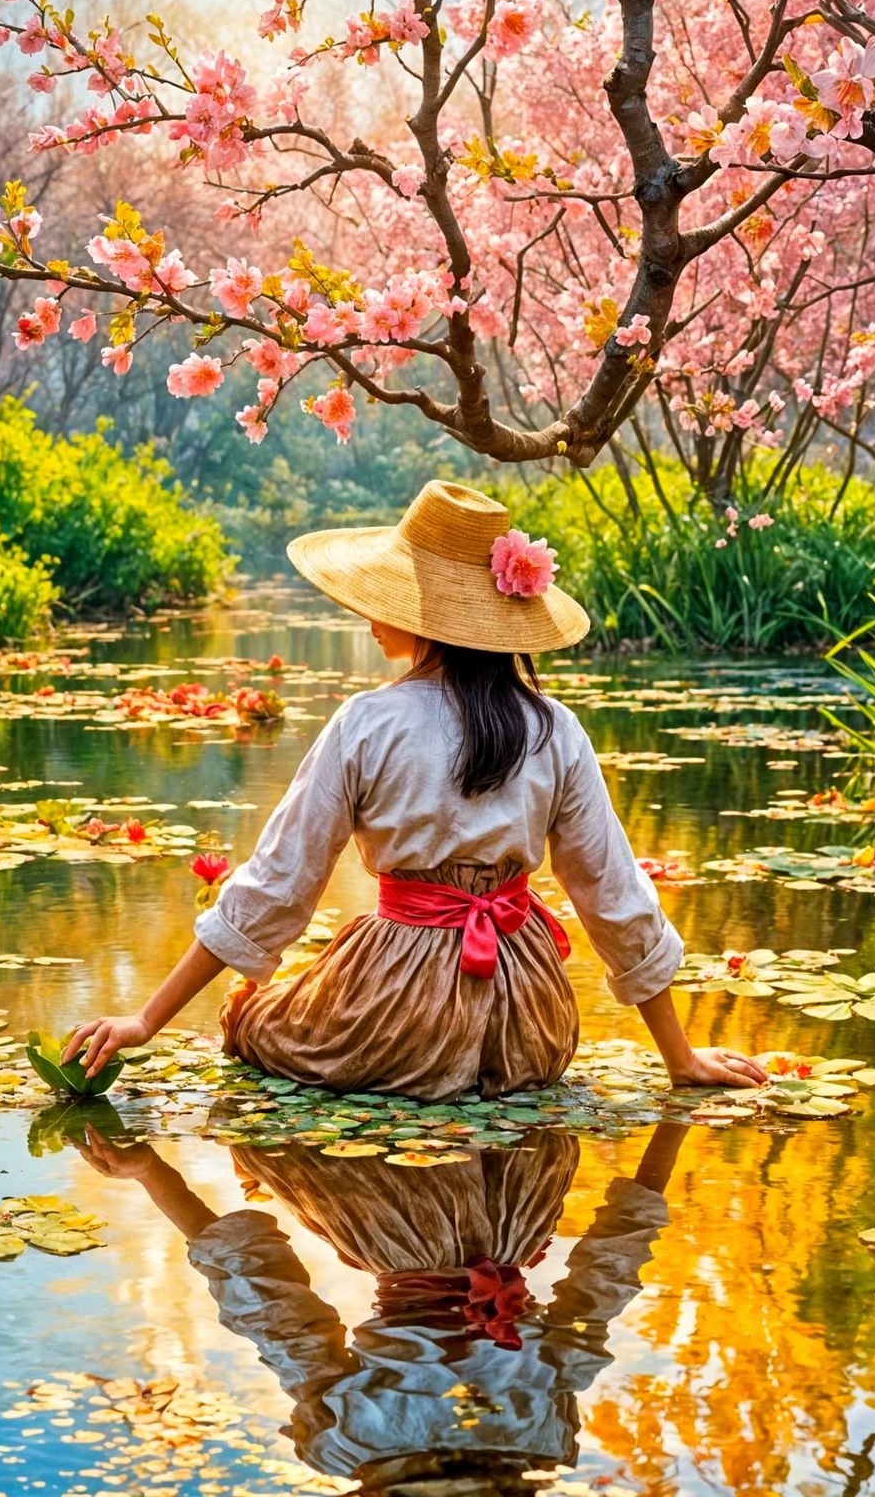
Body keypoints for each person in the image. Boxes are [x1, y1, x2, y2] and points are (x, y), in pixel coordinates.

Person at [65, 479, 766, 1099]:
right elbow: (613, 897)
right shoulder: (557, 729)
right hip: (530, 1029)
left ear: (424, 613)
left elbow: (278, 885)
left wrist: (145, 1019)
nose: (369, 615)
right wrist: (680, 1058)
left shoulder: (367, 723)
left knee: (252, 1016)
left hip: (390, 1019)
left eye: (385, 595)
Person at [74, 1118, 695, 1493]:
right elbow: (270, 1307)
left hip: (516, 1184)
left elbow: (607, 1274)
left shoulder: (543, 1440)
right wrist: (153, 1173)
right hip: (385, 1209)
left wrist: (675, 1121)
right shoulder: (352, 1448)